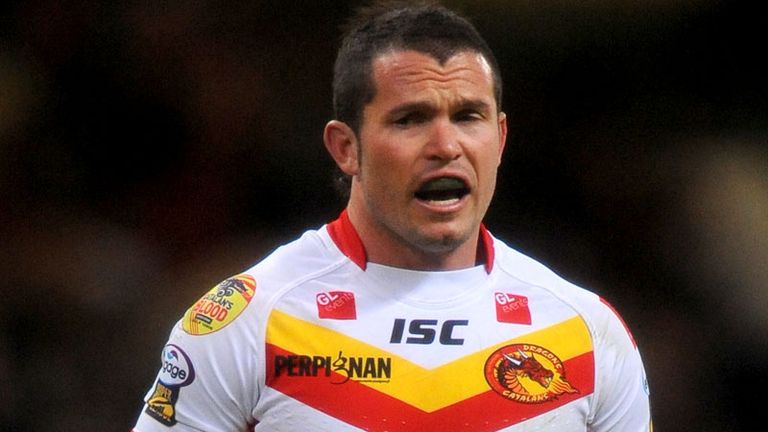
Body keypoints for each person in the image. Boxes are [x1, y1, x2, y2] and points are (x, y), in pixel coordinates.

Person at [132, 1, 652, 431]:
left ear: (500, 139)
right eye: (411, 119)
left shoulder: (584, 332)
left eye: (468, 116)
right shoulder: (251, 321)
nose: (445, 145)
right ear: (346, 148)